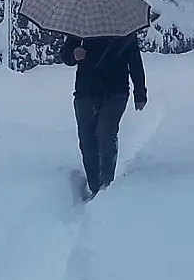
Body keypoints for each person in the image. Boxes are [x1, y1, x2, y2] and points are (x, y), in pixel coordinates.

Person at [60, 33, 147, 199]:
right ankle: (94, 184)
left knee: (106, 132)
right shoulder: (82, 26)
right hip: (86, 91)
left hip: (116, 91)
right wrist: (74, 54)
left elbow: (135, 60)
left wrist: (140, 92)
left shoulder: (124, 29)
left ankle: (107, 184)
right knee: (87, 138)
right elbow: (65, 54)